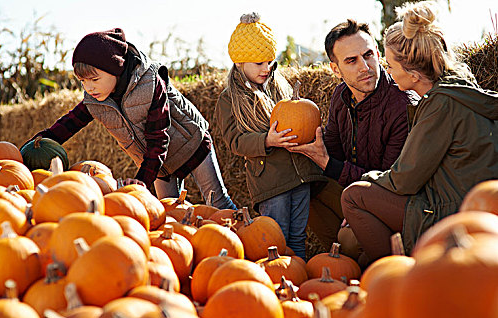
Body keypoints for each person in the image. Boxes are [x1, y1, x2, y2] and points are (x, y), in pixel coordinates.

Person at [340, 1, 498, 268]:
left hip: (450, 215)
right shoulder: (460, 85)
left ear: (412, 73)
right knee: (355, 238)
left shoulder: (440, 106)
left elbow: (405, 180)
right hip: (470, 207)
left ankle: (397, 275)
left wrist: (370, 178)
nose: (387, 71)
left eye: (390, 65)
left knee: (353, 196)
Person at [27, 28, 236, 210]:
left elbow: (158, 138)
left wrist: (141, 180)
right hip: (157, 165)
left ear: (115, 69)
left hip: (191, 145)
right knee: (168, 214)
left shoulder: (150, 84)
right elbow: (71, 122)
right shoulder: (95, 98)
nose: (88, 87)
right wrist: (40, 142)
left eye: (94, 79)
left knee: (218, 202)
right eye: (82, 81)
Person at [289, 19, 418, 254]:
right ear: (335, 69)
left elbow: (390, 182)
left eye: (368, 55)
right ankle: (338, 261)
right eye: (351, 60)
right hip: (355, 189)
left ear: (378, 53)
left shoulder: (402, 105)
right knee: (302, 190)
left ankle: (367, 265)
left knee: (349, 238)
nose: (365, 67)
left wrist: (328, 164)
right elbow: (335, 149)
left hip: (390, 200)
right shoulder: (341, 96)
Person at [214, 13, 327, 260]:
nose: (266, 69)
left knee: (298, 237)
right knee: (275, 240)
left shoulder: (281, 87)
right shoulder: (229, 100)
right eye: (258, 64)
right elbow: (234, 141)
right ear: (240, 63)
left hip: (300, 176)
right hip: (271, 182)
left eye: (269, 62)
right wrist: (267, 140)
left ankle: (297, 282)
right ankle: (276, 283)